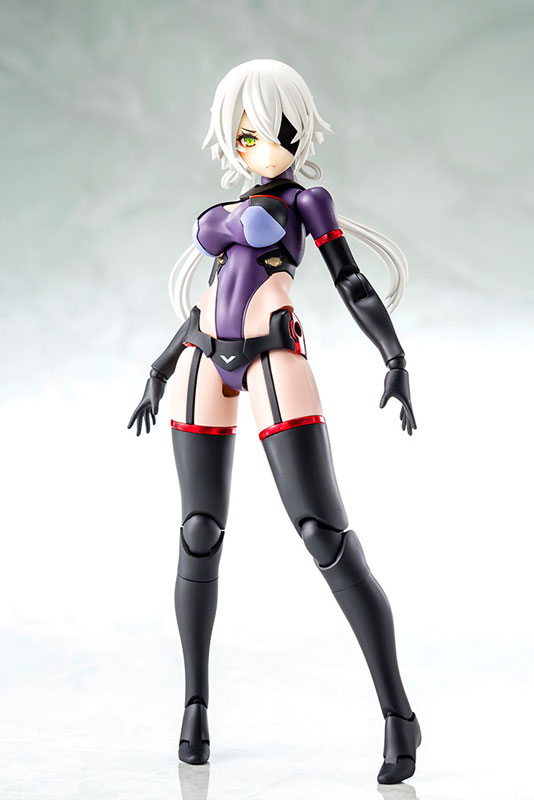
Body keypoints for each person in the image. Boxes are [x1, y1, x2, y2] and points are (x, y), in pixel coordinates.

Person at [128, 59, 421, 785]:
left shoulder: (308, 201)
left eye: (273, 132)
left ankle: (398, 713)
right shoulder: (233, 205)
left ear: (300, 131)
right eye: (244, 135)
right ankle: (195, 705)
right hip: (201, 357)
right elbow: (210, 293)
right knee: (199, 532)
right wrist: (159, 367)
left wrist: (393, 354)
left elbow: (350, 279)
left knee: (324, 533)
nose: (258, 148)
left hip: (272, 353)